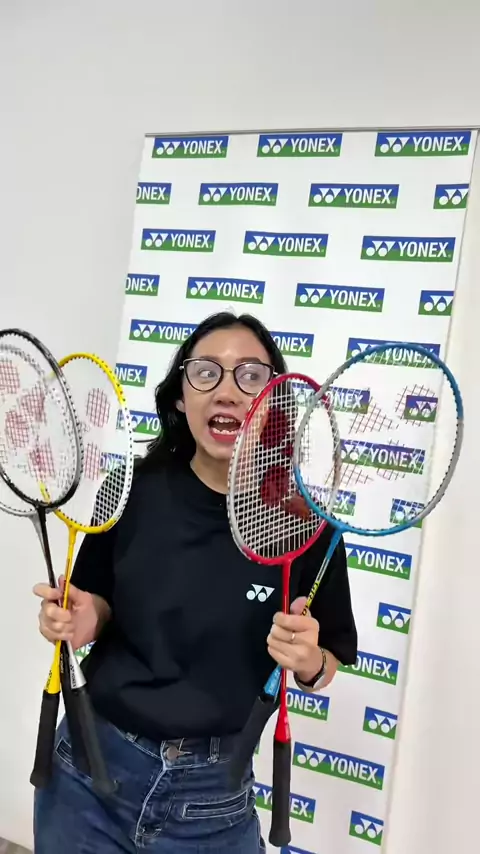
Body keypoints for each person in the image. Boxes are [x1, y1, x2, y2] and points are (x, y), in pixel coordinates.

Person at [33, 311, 358, 853]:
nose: (227, 391)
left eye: (250, 376)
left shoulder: (304, 524)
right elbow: (97, 604)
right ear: (182, 398)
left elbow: (327, 663)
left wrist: (308, 660)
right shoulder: (130, 488)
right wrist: (84, 617)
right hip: (88, 769)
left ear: (273, 403)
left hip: (213, 800)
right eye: (206, 372)